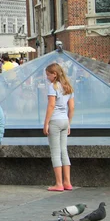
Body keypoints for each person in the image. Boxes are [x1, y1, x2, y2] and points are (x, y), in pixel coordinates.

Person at [43, 63, 75, 192]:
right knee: (64, 151)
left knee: (55, 153)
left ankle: (59, 184)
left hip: (55, 121)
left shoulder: (53, 87)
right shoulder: (68, 87)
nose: (47, 77)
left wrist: (46, 123)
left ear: (54, 74)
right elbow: (72, 107)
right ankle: (68, 182)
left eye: (48, 75)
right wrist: (69, 123)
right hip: (64, 121)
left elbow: (51, 106)